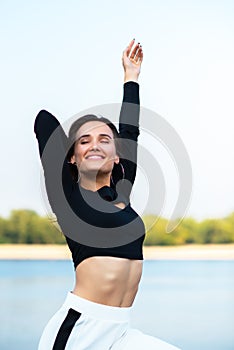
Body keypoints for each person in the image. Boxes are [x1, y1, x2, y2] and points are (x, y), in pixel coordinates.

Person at [34, 39, 181, 350]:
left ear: (117, 155)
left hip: (121, 330)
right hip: (80, 330)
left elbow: (130, 132)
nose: (95, 144)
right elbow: (44, 121)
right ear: (71, 156)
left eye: (104, 140)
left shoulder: (123, 186)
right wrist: (71, 152)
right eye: (84, 141)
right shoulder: (68, 198)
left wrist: (131, 77)